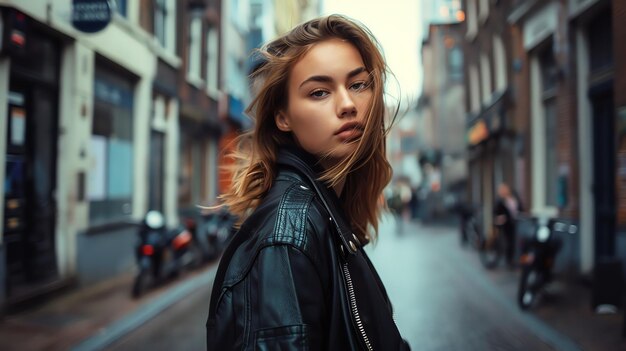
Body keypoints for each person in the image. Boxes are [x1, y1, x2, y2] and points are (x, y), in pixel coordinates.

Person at [206, 14, 410, 350]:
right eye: (319, 92)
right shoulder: (286, 238)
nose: (348, 105)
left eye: (358, 84)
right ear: (282, 117)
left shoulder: (325, 212)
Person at [494, 182, 524, 268]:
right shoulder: (500, 200)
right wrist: (500, 218)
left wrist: (521, 214)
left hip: (517, 222)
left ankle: (515, 259)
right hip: (506, 224)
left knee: (516, 242)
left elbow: (520, 207)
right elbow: (496, 212)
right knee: (509, 242)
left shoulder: (514, 196)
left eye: (505, 189)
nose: (504, 191)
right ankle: (509, 261)